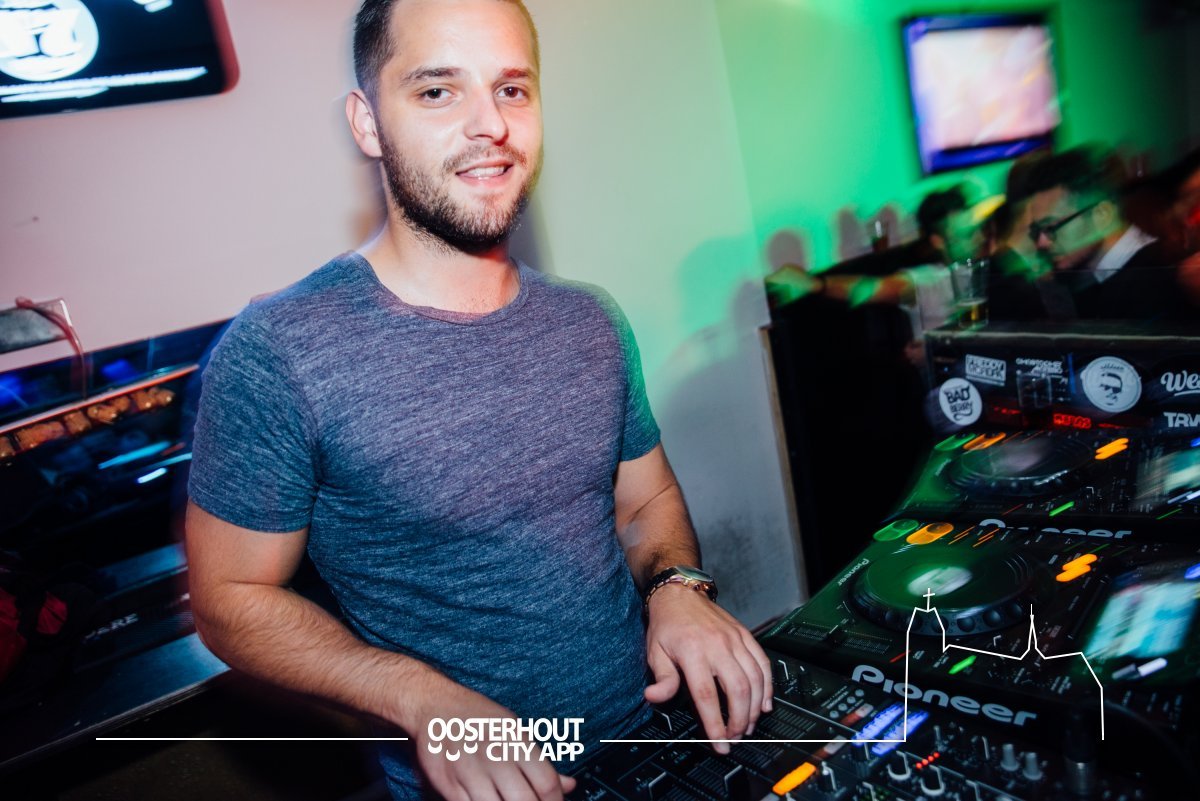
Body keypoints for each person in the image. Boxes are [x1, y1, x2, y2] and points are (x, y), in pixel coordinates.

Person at [183, 2, 771, 800]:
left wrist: (677, 587)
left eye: (512, 89)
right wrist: (419, 696)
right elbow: (229, 599)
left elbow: (645, 502)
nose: (490, 124)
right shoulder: (280, 350)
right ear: (367, 123)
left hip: (653, 744)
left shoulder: (590, 319)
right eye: (437, 91)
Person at [1025, 146, 1194, 321]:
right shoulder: (1112, 277)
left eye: (1051, 227)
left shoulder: (1151, 284)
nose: (1041, 242)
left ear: (1103, 215)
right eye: (1037, 230)